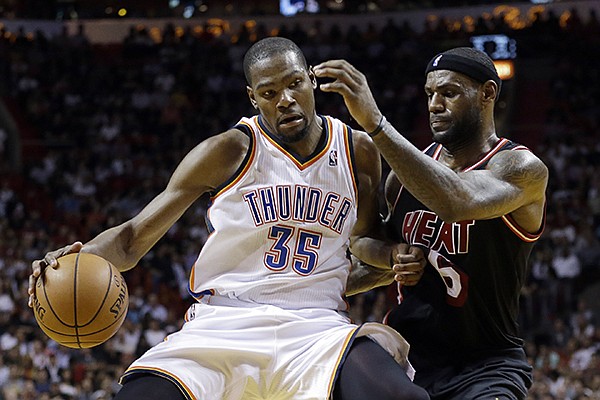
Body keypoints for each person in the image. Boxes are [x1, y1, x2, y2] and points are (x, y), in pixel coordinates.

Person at [27, 37, 429, 400]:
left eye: (293, 84)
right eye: (269, 92)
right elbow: (132, 238)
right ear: (254, 98)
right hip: (224, 324)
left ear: (311, 80)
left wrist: (393, 255)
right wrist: (75, 258)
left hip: (318, 329)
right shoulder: (230, 151)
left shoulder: (357, 151)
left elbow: (364, 243)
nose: (285, 99)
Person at [314, 47, 548, 399]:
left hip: (484, 365)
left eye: (449, 93)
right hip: (406, 357)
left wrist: (376, 124)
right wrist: (392, 255)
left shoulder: (521, 169)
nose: (435, 105)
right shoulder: (404, 177)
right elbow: (367, 248)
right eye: (429, 94)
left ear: (487, 93)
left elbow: (459, 201)